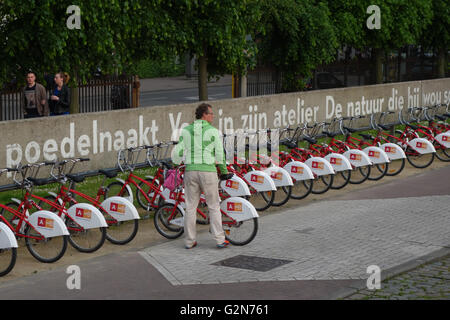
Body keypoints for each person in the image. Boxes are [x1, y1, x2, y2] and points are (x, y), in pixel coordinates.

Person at [173, 103, 232, 249]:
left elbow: (178, 151)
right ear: (204, 115)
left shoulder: (186, 130)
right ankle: (219, 239)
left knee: (190, 207)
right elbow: (219, 153)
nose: (213, 116)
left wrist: (176, 164)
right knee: (213, 206)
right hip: (208, 171)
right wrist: (224, 171)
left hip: (191, 171)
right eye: (211, 113)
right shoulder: (212, 131)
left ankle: (189, 241)